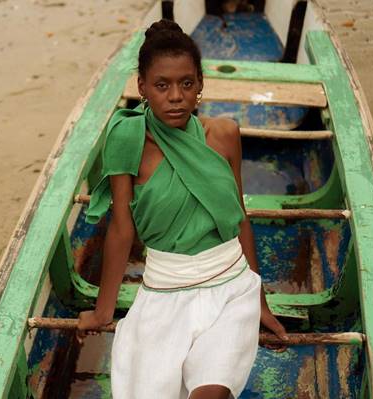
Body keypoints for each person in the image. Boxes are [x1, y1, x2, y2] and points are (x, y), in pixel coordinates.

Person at [77, 19, 288, 399]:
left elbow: (238, 219)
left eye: (186, 83)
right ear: (142, 87)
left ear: (200, 84)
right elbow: (121, 229)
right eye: (162, 85)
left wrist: (258, 299)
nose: (176, 96)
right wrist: (102, 311)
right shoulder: (127, 140)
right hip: (163, 291)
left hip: (230, 288)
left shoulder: (223, 135)